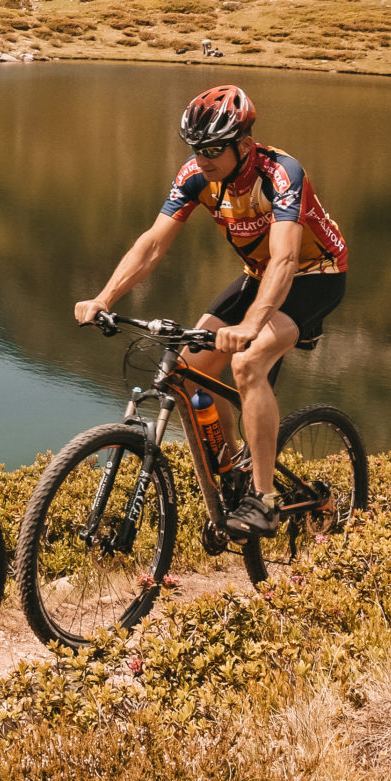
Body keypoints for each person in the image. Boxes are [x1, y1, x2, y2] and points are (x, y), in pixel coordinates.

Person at [72, 85, 348, 538]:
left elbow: (284, 260)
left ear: (244, 145)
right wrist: (105, 298)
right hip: (259, 276)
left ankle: (264, 500)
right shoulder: (195, 177)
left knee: (247, 360)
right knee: (188, 368)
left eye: (213, 150)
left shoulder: (281, 174)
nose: (202, 159)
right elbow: (153, 244)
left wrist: (251, 327)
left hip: (316, 274)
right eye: (196, 149)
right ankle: (231, 469)